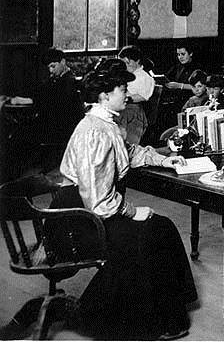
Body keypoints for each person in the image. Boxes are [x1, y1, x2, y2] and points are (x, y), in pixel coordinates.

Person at [56, 66, 197, 339]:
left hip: (95, 211)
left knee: (161, 227)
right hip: (79, 219)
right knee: (149, 233)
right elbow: (97, 200)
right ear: (104, 96)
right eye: (122, 89)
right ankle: (146, 323)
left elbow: (129, 152)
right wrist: (132, 211)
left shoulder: (108, 123)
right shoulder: (93, 132)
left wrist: (163, 159)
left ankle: (168, 313)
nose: (128, 94)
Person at [10, 47, 83, 170]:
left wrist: (27, 101)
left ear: (63, 62)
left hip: (61, 128)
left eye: (53, 66)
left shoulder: (69, 82)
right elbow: (41, 95)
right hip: (53, 123)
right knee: (19, 131)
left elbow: (48, 102)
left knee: (19, 134)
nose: (50, 70)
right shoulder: (56, 79)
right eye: (49, 67)